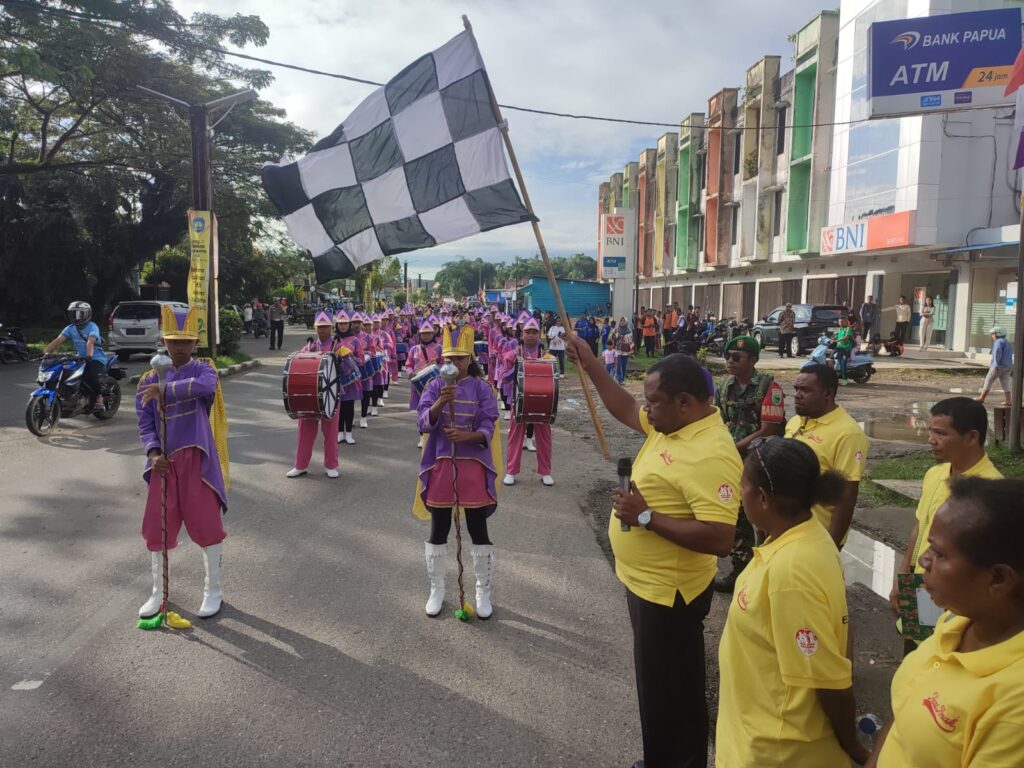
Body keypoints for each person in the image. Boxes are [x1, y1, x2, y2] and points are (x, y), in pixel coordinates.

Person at [565, 337, 740, 768]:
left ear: (685, 402)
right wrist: (591, 365)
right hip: (647, 587)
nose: (647, 409)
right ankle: (660, 759)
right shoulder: (672, 424)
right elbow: (626, 408)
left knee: (673, 692)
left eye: (654, 402)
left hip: (670, 595)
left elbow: (721, 538)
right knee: (658, 689)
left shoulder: (711, 453)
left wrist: (645, 517)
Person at [716, 437, 869, 767]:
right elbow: (843, 628)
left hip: (777, 750)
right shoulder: (804, 536)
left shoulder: (791, 572)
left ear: (762, 498)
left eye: (742, 487)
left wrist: (853, 746)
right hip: (758, 733)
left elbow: (830, 681)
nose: (739, 495)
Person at [867, 477, 1024, 768]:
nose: (923, 561)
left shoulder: (1015, 705)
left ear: (999, 578)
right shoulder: (955, 621)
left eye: (939, 553)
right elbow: (903, 712)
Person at [135, 305, 229, 619]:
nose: (178, 347)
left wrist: (165, 388)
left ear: (195, 343)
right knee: (156, 528)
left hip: (196, 460)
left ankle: (213, 590)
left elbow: (206, 388)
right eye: (173, 341)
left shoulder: (204, 370)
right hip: (164, 464)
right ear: (163, 341)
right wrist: (153, 454)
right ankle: (158, 592)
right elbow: (145, 423)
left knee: (207, 525)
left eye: (185, 341)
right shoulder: (148, 378)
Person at [889, 397, 1001, 655]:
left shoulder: (991, 491)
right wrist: (902, 577)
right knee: (915, 656)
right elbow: (920, 527)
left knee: (946, 660)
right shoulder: (935, 475)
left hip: (958, 601)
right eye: (931, 431)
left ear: (971, 437)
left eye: (940, 433)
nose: (931, 439)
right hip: (921, 587)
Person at [415, 323, 500, 619]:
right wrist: (442, 401)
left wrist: (467, 436)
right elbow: (423, 422)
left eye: (460, 358)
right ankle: (436, 589)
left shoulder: (482, 388)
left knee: (477, 527)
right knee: (438, 527)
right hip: (441, 462)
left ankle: (483, 590)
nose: (454, 364)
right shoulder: (434, 386)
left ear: (470, 358)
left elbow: (488, 424)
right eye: (449, 359)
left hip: (472, 463)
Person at [713, 336, 786, 592]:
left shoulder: (769, 387)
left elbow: (769, 429)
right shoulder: (724, 387)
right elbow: (717, 421)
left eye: (737, 357)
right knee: (737, 514)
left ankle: (771, 571)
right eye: (728, 356)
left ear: (753, 360)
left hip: (761, 462)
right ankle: (741, 570)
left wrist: (734, 448)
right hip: (732, 463)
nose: (730, 361)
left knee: (766, 518)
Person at [785, 364, 869, 548]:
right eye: (796, 389)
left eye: (806, 390)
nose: (797, 395)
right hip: (785, 530)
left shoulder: (848, 433)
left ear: (828, 394)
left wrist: (830, 547)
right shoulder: (794, 422)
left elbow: (846, 498)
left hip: (817, 538)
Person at [286, 312, 341, 479]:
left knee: (330, 433)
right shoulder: (308, 347)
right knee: (305, 432)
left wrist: (343, 360)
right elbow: (298, 366)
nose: (322, 330)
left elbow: (350, 370)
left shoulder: (339, 347)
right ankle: (300, 465)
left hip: (331, 396)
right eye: (319, 327)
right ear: (315, 328)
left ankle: (331, 465)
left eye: (325, 327)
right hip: (310, 395)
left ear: (331, 328)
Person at [503, 316, 555, 487]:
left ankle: (546, 472)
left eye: (534, 332)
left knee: (544, 438)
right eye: (528, 332)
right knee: (514, 437)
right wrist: (516, 368)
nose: (531, 335)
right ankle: (510, 471)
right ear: (522, 334)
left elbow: (554, 379)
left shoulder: (548, 357)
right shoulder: (513, 354)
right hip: (519, 402)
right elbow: (504, 378)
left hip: (542, 402)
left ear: (539, 335)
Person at [42, 300, 107, 413]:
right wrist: (45, 353)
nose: (77, 317)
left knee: (90, 374)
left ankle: (99, 397)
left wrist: (89, 356)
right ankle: (70, 395)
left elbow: (90, 342)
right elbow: (58, 341)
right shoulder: (71, 328)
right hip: (79, 358)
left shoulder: (93, 327)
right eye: (74, 314)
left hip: (95, 358)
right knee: (66, 371)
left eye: (80, 314)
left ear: (87, 314)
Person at [406, 315, 444, 448]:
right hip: (418, 386)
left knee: (436, 410)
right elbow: (408, 365)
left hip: (435, 384)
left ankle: (435, 436)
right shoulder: (414, 349)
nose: (426, 336)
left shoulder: (440, 348)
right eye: (424, 334)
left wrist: (436, 365)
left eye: (429, 333)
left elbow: (445, 365)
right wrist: (411, 373)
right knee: (421, 411)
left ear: (433, 334)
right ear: (420, 335)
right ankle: (422, 437)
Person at [333, 310, 363, 446]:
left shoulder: (355, 340)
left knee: (349, 406)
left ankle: (349, 433)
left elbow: (361, 360)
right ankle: (340, 433)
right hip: (336, 378)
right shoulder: (333, 340)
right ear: (337, 325)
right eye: (340, 324)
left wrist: (350, 357)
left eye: (345, 323)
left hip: (350, 380)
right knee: (338, 407)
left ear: (349, 324)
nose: (343, 326)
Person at [976, 325, 1013, 406]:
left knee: (988, 380)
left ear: (997, 334)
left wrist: (995, 365)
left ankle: (982, 397)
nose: (992, 336)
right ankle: (1008, 400)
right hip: (1008, 366)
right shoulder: (1007, 342)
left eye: (993, 334)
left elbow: (997, 353)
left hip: (998, 366)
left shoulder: (998, 342)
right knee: (1005, 382)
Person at [834, 316, 854, 385]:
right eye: (839, 322)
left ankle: (845, 379)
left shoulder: (848, 328)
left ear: (846, 322)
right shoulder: (839, 329)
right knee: (831, 359)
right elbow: (836, 336)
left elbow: (846, 337)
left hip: (846, 348)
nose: (840, 323)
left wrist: (837, 340)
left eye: (842, 321)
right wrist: (830, 339)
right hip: (838, 348)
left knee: (843, 363)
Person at [612, 317, 633, 383]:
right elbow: (613, 338)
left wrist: (631, 351)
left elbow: (631, 341)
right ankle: (620, 379)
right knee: (619, 365)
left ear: (626, 322)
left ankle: (622, 378)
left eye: (624, 321)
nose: (622, 322)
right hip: (618, 350)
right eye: (621, 321)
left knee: (624, 366)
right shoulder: (616, 329)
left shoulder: (629, 330)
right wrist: (615, 336)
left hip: (625, 350)